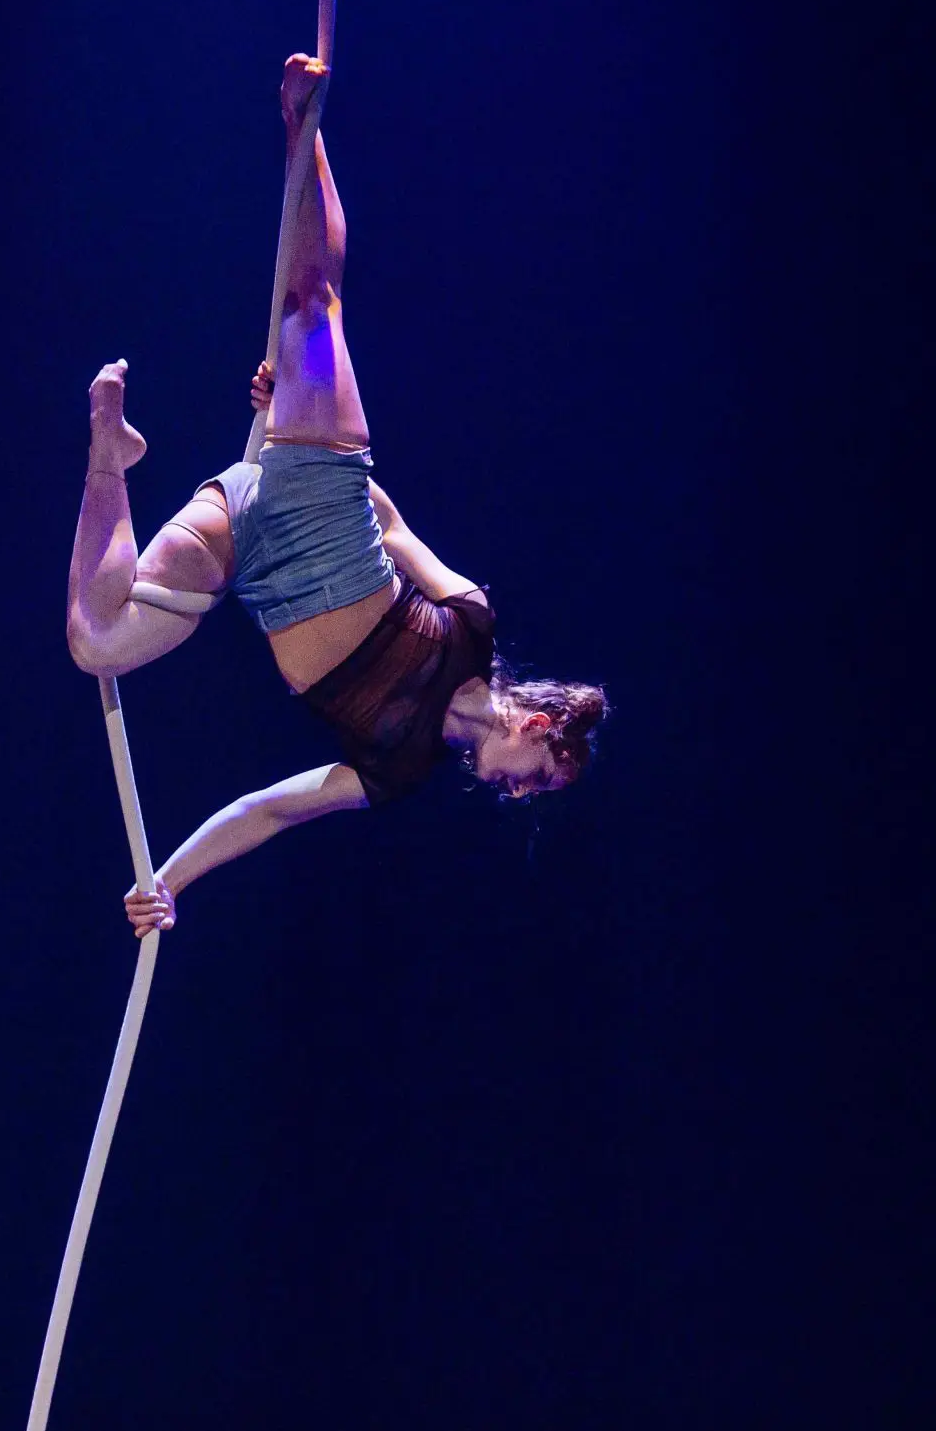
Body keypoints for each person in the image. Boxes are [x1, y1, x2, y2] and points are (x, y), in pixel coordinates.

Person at [65, 54, 608, 939]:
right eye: (538, 775)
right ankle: (302, 128)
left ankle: (106, 460)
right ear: (541, 726)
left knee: (96, 641)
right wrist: (293, 405)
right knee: (312, 305)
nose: (517, 789)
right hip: (321, 489)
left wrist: (170, 879)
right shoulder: (472, 622)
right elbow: (388, 525)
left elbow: (270, 808)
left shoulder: (398, 766)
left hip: (250, 551)